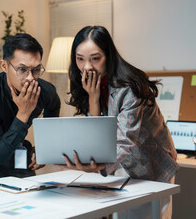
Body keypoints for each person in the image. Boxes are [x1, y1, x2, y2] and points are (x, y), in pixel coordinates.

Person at [62, 26, 179, 218]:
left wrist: (97, 165)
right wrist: (93, 98)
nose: (87, 67)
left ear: (108, 56)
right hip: (122, 164)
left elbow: (125, 142)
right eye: (80, 59)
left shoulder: (130, 87)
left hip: (152, 164)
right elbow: (98, 134)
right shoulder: (91, 82)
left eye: (95, 58)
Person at [0, 33, 61, 181]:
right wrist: (24, 112)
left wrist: (45, 147)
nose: (30, 78)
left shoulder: (45, 91)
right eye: (22, 69)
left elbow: (53, 107)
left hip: (18, 145)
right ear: (4, 66)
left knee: (29, 193)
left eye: (36, 69)